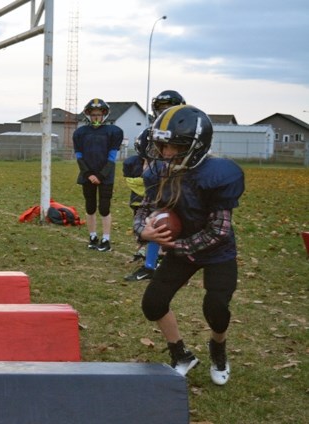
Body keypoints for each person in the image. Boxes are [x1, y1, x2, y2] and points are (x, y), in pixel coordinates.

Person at [134, 105, 244, 385]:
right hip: (180, 246)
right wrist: (144, 231)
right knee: (153, 303)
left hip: (216, 252)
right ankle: (181, 354)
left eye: (175, 146)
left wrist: (172, 245)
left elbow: (218, 231)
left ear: (196, 146)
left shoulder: (218, 174)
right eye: (162, 145)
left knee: (216, 310)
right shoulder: (158, 171)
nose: (166, 152)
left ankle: (218, 347)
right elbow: (144, 209)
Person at [124, 90, 186, 281]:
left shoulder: (189, 131)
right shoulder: (148, 134)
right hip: (159, 181)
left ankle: (176, 261)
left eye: (169, 108)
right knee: (155, 219)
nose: (165, 112)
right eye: (161, 109)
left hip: (182, 181)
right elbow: (146, 164)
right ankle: (150, 264)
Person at [72, 98, 123, 252]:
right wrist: (88, 174)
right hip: (87, 174)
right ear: (88, 115)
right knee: (90, 206)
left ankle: (106, 238)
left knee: (104, 207)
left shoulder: (114, 132)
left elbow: (112, 158)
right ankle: (93, 236)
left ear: (104, 115)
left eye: (98, 114)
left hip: (105, 175)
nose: (95, 117)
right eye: (93, 114)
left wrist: (100, 175)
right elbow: (79, 156)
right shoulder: (80, 133)